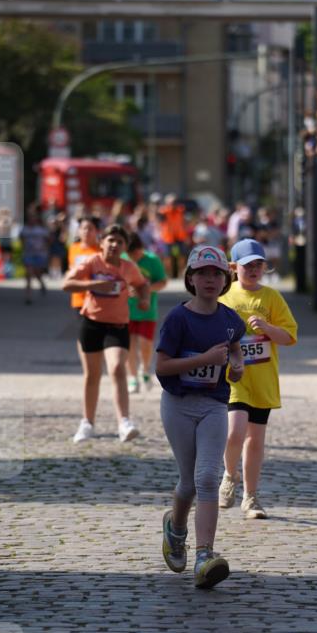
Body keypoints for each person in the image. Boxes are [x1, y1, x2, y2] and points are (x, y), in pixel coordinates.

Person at [155, 245, 245, 589]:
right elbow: (162, 366)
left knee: (208, 476)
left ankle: (204, 555)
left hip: (213, 405)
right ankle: (176, 530)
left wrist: (237, 366)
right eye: (202, 273)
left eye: (216, 274)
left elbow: (235, 344)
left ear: (225, 280)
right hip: (177, 403)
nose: (210, 279)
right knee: (189, 482)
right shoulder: (178, 318)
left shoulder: (228, 319)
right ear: (190, 278)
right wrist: (203, 358)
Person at [218, 239, 298, 519]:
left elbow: (289, 337)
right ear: (233, 267)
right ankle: (229, 475)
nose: (253, 270)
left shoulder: (271, 298)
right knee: (233, 432)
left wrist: (267, 327)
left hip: (262, 380)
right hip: (233, 377)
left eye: (258, 265)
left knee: (255, 440)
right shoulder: (225, 297)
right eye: (247, 265)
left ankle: (251, 498)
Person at [62, 224, 150, 444]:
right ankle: (87, 423)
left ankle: (124, 423)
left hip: (117, 326)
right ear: (101, 242)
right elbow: (67, 284)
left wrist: (144, 299)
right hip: (91, 323)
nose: (114, 245)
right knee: (92, 375)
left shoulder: (129, 267)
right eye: (110, 240)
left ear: (124, 247)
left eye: (119, 242)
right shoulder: (92, 262)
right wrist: (94, 284)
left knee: (117, 368)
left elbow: (142, 284)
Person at [124, 231, 167, 393]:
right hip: (126, 310)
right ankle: (133, 377)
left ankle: (145, 369)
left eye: (135, 253)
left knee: (145, 344)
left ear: (140, 249)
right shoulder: (122, 259)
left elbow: (163, 282)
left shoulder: (152, 260)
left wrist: (146, 289)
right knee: (129, 344)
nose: (133, 258)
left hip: (147, 310)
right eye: (130, 254)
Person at [67, 215, 101, 315]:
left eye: (90, 228)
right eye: (83, 228)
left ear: (97, 231)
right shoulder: (73, 248)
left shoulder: (102, 250)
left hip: (97, 298)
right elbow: (71, 269)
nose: (86, 231)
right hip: (79, 298)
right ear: (78, 230)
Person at [20, 209, 49, 304]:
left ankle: (42, 284)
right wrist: (24, 249)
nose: (31, 220)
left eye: (33, 218)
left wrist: (44, 250)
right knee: (28, 274)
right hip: (29, 254)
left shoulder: (41, 230)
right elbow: (21, 240)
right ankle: (28, 296)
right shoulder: (25, 229)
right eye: (30, 218)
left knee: (37, 273)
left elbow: (48, 240)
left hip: (39, 254)